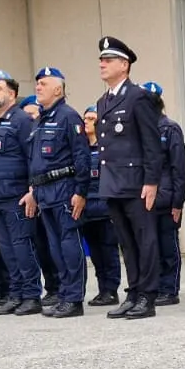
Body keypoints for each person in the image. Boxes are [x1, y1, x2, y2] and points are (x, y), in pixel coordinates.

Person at [95, 36, 162, 319]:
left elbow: (151, 143)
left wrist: (151, 181)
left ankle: (147, 295)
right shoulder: (103, 101)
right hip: (113, 183)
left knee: (144, 239)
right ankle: (133, 292)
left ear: (124, 65)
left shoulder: (138, 97)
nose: (102, 64)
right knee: (126, 241)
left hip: (136, 182)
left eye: (108, 60)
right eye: (101, 60)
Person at [22, 66, 89, 317]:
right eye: (37, 83)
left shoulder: (68, 117)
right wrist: (34, 190)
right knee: (55, 247)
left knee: (69, 244)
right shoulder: (41, 119)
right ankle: (64, 293)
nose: (38, 87)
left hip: (64, 188)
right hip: (44, 191)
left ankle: (74, 299)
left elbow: (81, 156)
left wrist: (80, 191)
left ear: (58, 89)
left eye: (44, 83)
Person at [0, 69, 42, 316]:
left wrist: (32, 190)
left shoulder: (21, 121)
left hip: (16, 196)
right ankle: (16, 293)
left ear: (12, 94)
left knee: (22, 246)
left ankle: (31, 295)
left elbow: (32, 158)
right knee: (6, 249)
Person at [139, 81, 185, 306]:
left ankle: (169, 289)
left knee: (168, 246)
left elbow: (179, 168)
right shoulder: (137, 130)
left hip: (166, 198)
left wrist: (178, 202)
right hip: (143, 199)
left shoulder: (169, 128)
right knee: (150, 247)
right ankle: (154, 287)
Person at [81, 107, 121, 306]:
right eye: (85, 118)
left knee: (109, 251)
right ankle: (102, 289)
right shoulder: (81, 149)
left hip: (105, 209)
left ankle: (111, 290)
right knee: (96, 254)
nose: (87, 122)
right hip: (87, 209)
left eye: (91, 118)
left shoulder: (107, 147)